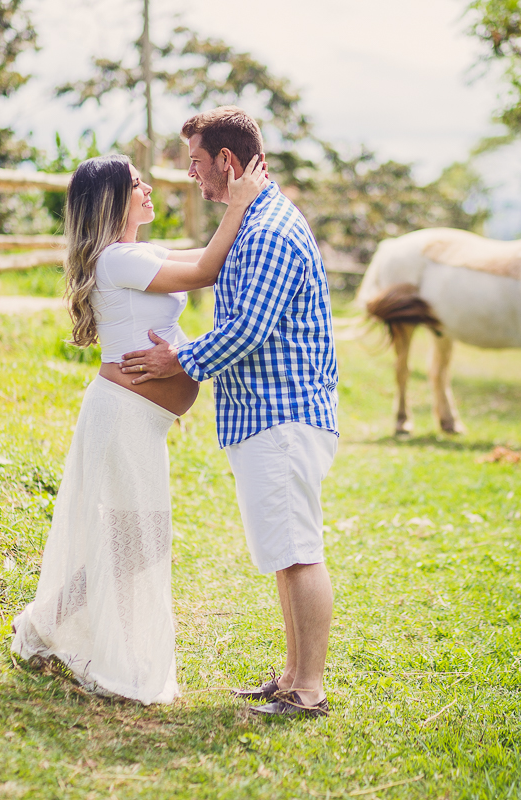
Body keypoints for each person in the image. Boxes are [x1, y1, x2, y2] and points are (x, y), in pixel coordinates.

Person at [10, 152, 266, 705]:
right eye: (135, 183)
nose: (148, 187)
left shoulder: (135, 254)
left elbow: (204, 256)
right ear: (111, 200)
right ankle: (115, 659)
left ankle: (42, 625)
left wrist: (242, 219)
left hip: (135, 421)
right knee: (135, 544)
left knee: (132, 547)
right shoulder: (116, 260)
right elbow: (205, 271)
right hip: (123, 417)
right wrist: (241, 203)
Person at [122, 106, 339, 718]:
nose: (191, 174)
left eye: (195, 161)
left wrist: (179, 361)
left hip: (284, 415)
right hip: (267, 415)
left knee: (299, 552)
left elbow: (247, 329)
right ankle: (293, 677)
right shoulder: (253, 220)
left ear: (228, 161)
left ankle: (308, 691)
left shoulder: (268, 229)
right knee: (283, 552)